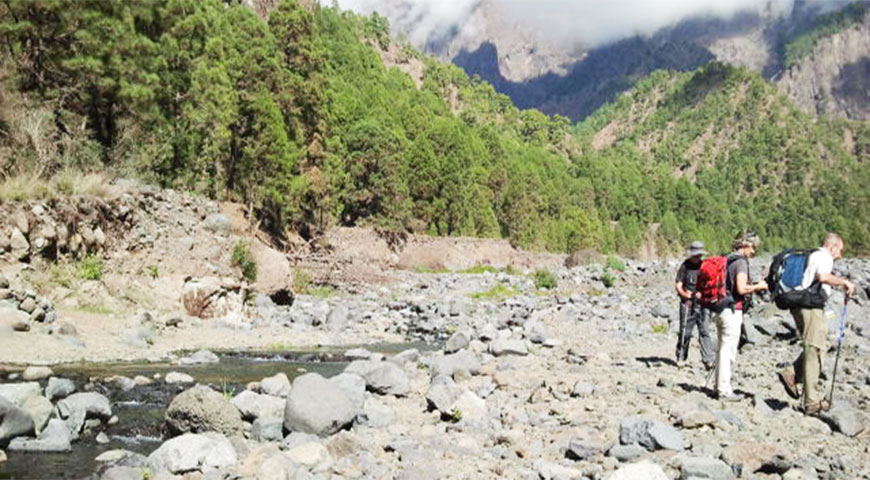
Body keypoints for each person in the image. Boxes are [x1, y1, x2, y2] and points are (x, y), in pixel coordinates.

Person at [777, 233, 856, 414]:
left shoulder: (814, 255)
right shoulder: (823, 256)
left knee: (816, 347)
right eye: (840, 250)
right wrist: (845, 282)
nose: (840, 255)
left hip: (802, 305)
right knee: (814, 349)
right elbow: (822, 277)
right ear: (832, 247)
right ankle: (810, 401)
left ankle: (792, 373)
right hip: (809, 307)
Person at [713, 230, 768, 401]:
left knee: (722, 348)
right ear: (745, 245)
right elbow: (741, 288)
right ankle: (724, 391)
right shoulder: (741, 262)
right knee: (728, 351)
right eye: (753, 247)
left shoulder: (728, 259)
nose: (754, 251)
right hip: (732, 310)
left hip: (719, 309)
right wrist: (758, 286)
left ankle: (718, 386)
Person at [674, 241, 715, 369]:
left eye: (699, 255)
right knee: (685, 332)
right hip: (688, 303)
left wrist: (704, 294)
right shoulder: (685, 266)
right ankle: (681, 356)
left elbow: (710, 283)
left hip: (703, 304)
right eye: (696, 255)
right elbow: (678, 283)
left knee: (704, 331)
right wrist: (684, 294)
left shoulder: (704, 266)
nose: (698, 257)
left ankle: (708, 359)